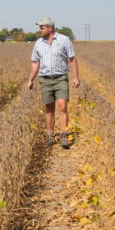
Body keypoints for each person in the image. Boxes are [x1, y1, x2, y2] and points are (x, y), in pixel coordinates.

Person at [25, 17, 80, 148]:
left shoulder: (64, 40)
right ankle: (50, 135)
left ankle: (63, 136)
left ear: (50, 28)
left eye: (42, 27)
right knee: (49, 109)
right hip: (45, 79)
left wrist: (75, 77)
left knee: (62, 106)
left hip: (61, 78)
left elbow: (72, 59)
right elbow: (35, 62)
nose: (40, 30)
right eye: (40, 27)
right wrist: (30, 80)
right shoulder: (38, 43)